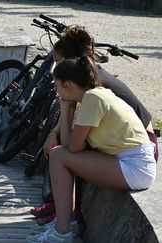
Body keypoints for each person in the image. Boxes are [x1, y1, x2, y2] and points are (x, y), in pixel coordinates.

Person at [30, 25, 158, 226]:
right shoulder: (88, 80)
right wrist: (55, 131)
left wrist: (61, 124)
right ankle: (63, 213)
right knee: (69, 151)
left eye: (58, 63)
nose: (56, 70)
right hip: (124, 144)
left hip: (140, 146)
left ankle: (68, 216)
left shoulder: (96, 88)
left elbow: (73, 145)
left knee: (73, 151)